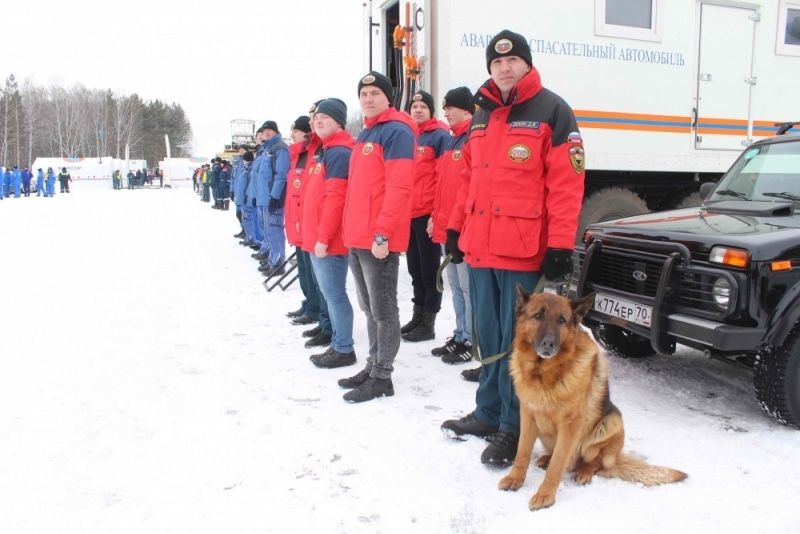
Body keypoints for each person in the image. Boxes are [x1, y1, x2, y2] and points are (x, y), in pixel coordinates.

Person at [440, 30, 585, 467]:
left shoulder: (553, 110)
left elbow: (566, 185)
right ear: (490, 69)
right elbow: (469, 179)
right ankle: (487, 412)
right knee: (487, 337)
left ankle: (513, 427)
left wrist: (560, 244)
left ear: (526, 64)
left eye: (513, 61)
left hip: (523, 252)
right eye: (497, 63)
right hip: (481, 249)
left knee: (516, 344)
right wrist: (454, 229)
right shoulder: (482, 112)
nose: (504, 68)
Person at [337, 71, 417, 402]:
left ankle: (383, 376)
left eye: (374, 93)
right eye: (363, 94)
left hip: (377, 239)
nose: (368, 99)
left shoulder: (396, 132)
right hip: (357, 237)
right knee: (369, 309)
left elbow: (399, 188)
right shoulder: (367, 134)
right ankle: (373, 365)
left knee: (384, 312)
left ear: (388, 97)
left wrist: (383, 232)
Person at [303, 98, 357, 369]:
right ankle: (338, 342)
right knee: (329, 294)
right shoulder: (326, 150)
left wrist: (323, 238)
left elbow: (335, 200)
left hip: (329, 241)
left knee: (335, 295)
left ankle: (343, 348)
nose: (318, 120)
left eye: (325, 116)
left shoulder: (339, 153)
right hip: (317, 239)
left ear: (339, 121)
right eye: (316, 117)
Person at [427, 86, 475, 364]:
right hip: (448, 226)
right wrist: (435, 217)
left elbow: (469, 190)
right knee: (455, 287)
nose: (445, 112)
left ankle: (471, 338)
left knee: (468, 289)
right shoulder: (452, 141)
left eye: (451, 107)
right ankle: (460, 334)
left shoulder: (471, 139)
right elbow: (442, 187)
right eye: (444, 107)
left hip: (463, 229)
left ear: (467, 110)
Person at [401, 91, 450, 343]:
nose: (418, 110)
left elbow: (444, 178)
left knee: (430, 270)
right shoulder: (409, 136)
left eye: (423, 106)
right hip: (410, 213)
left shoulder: (439, 136)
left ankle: (428, 322)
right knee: (414, 269)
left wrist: (437, 213)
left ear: (432, 111)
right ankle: (417, 315)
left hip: (427, 214)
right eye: (414, 106)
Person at [253, 121, 289, 276]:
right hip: (262, 198)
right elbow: (258, 177)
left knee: (274, 230)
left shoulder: (279, 148)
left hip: (272, 199)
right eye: (265, 130)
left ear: (276, 131)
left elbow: (281, 175)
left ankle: (279, 263)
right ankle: (272, 259)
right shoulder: (265, 150)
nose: (267, 133)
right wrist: (255, 196)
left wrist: (275, 196)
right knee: (267, 230)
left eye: (270, 130)